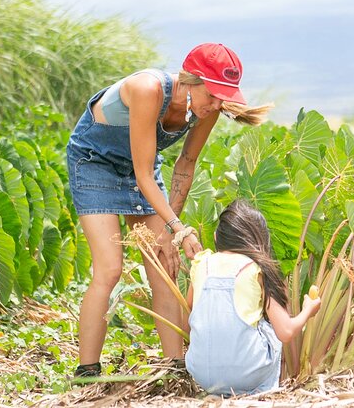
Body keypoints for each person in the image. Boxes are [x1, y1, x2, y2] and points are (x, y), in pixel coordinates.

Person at [66, 43, 272, 377]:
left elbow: (185, 165)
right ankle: (87, 371)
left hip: (141, 168)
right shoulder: (148, 89)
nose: (218, 104)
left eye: (224, 96)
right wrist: (178, 227)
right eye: (213, 94)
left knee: (164, 266)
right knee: (110, 270)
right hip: (95, 164)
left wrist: (167, 236)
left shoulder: (209, 109)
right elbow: (143, 173)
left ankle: (175, 368)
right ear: (191, 81)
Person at [185, 199, 321, 395]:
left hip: (201, 374)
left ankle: (219, 391)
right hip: (245, 375)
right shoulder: (256, 269)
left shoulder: (201, 262)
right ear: (260, 240)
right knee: (269, 329)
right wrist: (309, 309)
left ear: (216, 237)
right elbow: (286, 332)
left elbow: (189, 313)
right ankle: (260, 392)